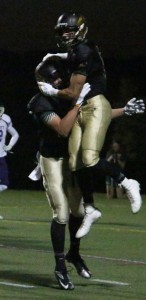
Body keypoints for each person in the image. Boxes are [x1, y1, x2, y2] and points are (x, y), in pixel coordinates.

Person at [37, 11, 145, 239]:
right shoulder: (78, 51)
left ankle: (127, 182)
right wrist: (124, 110)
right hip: (84, 108)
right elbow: (76, 58)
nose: (65, 34)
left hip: (94, 105)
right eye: (62, 31)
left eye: (70, 30)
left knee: (89, 159)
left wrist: (54, 91)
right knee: (76, 163)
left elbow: (74, 92)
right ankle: (91, 208)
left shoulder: (83, 51)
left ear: (81, 30)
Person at [28, 61, 92, 290]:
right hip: (52, 160)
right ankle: (60, 266)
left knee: (80, 211)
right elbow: (63, 129)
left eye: (59, 77)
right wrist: (77, 104)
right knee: (62, 214)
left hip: (70, 159)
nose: (58, 81)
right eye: (53, 79)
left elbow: (95, 117)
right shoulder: (40, 102)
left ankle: (74, 254)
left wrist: (124, 111)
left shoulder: (66, 95)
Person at [0, 102, 19, 219]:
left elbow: (15, 134)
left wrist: (10, 145)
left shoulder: (5, 119)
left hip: (1, 156)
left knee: (4, 184)